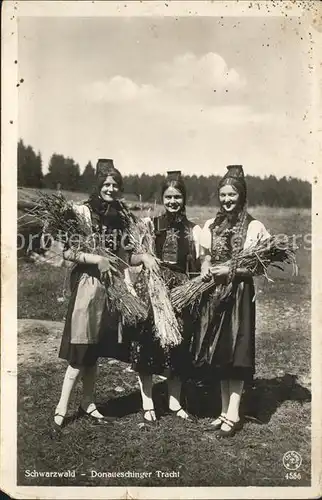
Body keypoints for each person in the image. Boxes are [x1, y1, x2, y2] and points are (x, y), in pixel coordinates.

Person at [53, 159, 138, 431]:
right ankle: (61, 408)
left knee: (95, 348)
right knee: (80, 348)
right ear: (98, 185)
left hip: (109, 288)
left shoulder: (120, 216)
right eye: (106, 184)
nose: (111, 189)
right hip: (87, 286)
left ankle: (88, 403)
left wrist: (133, 269)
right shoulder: (82, 213)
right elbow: (67, 252)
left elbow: (124, 255)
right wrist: (95, 259)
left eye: (115, 184)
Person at [195, 165, 270, 438]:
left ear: (242, 196)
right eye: (223, 195)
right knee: (221, 352)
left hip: (238, 295)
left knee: (236, 353)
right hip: (215, 294)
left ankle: (234, 413)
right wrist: (205, 264)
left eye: (232, 195)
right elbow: (206, 255)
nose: (227, 200)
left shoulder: (253, 226)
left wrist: (230, 270)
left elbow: (258, 268)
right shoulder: (211, 226)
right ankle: (224, 411)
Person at [128, 171, 201, 426]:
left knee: (178, 344)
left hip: (179, 291)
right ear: (162, 198)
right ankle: (147, 403)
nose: (172, 202)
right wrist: (145, 258)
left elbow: (196, 264)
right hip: (153, 289)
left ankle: (174, 401)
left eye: (177, 197)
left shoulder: (192, 230)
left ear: (184, 199)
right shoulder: (151, 225)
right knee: (146, 342)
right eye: (168, 197)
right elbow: (131, 257)